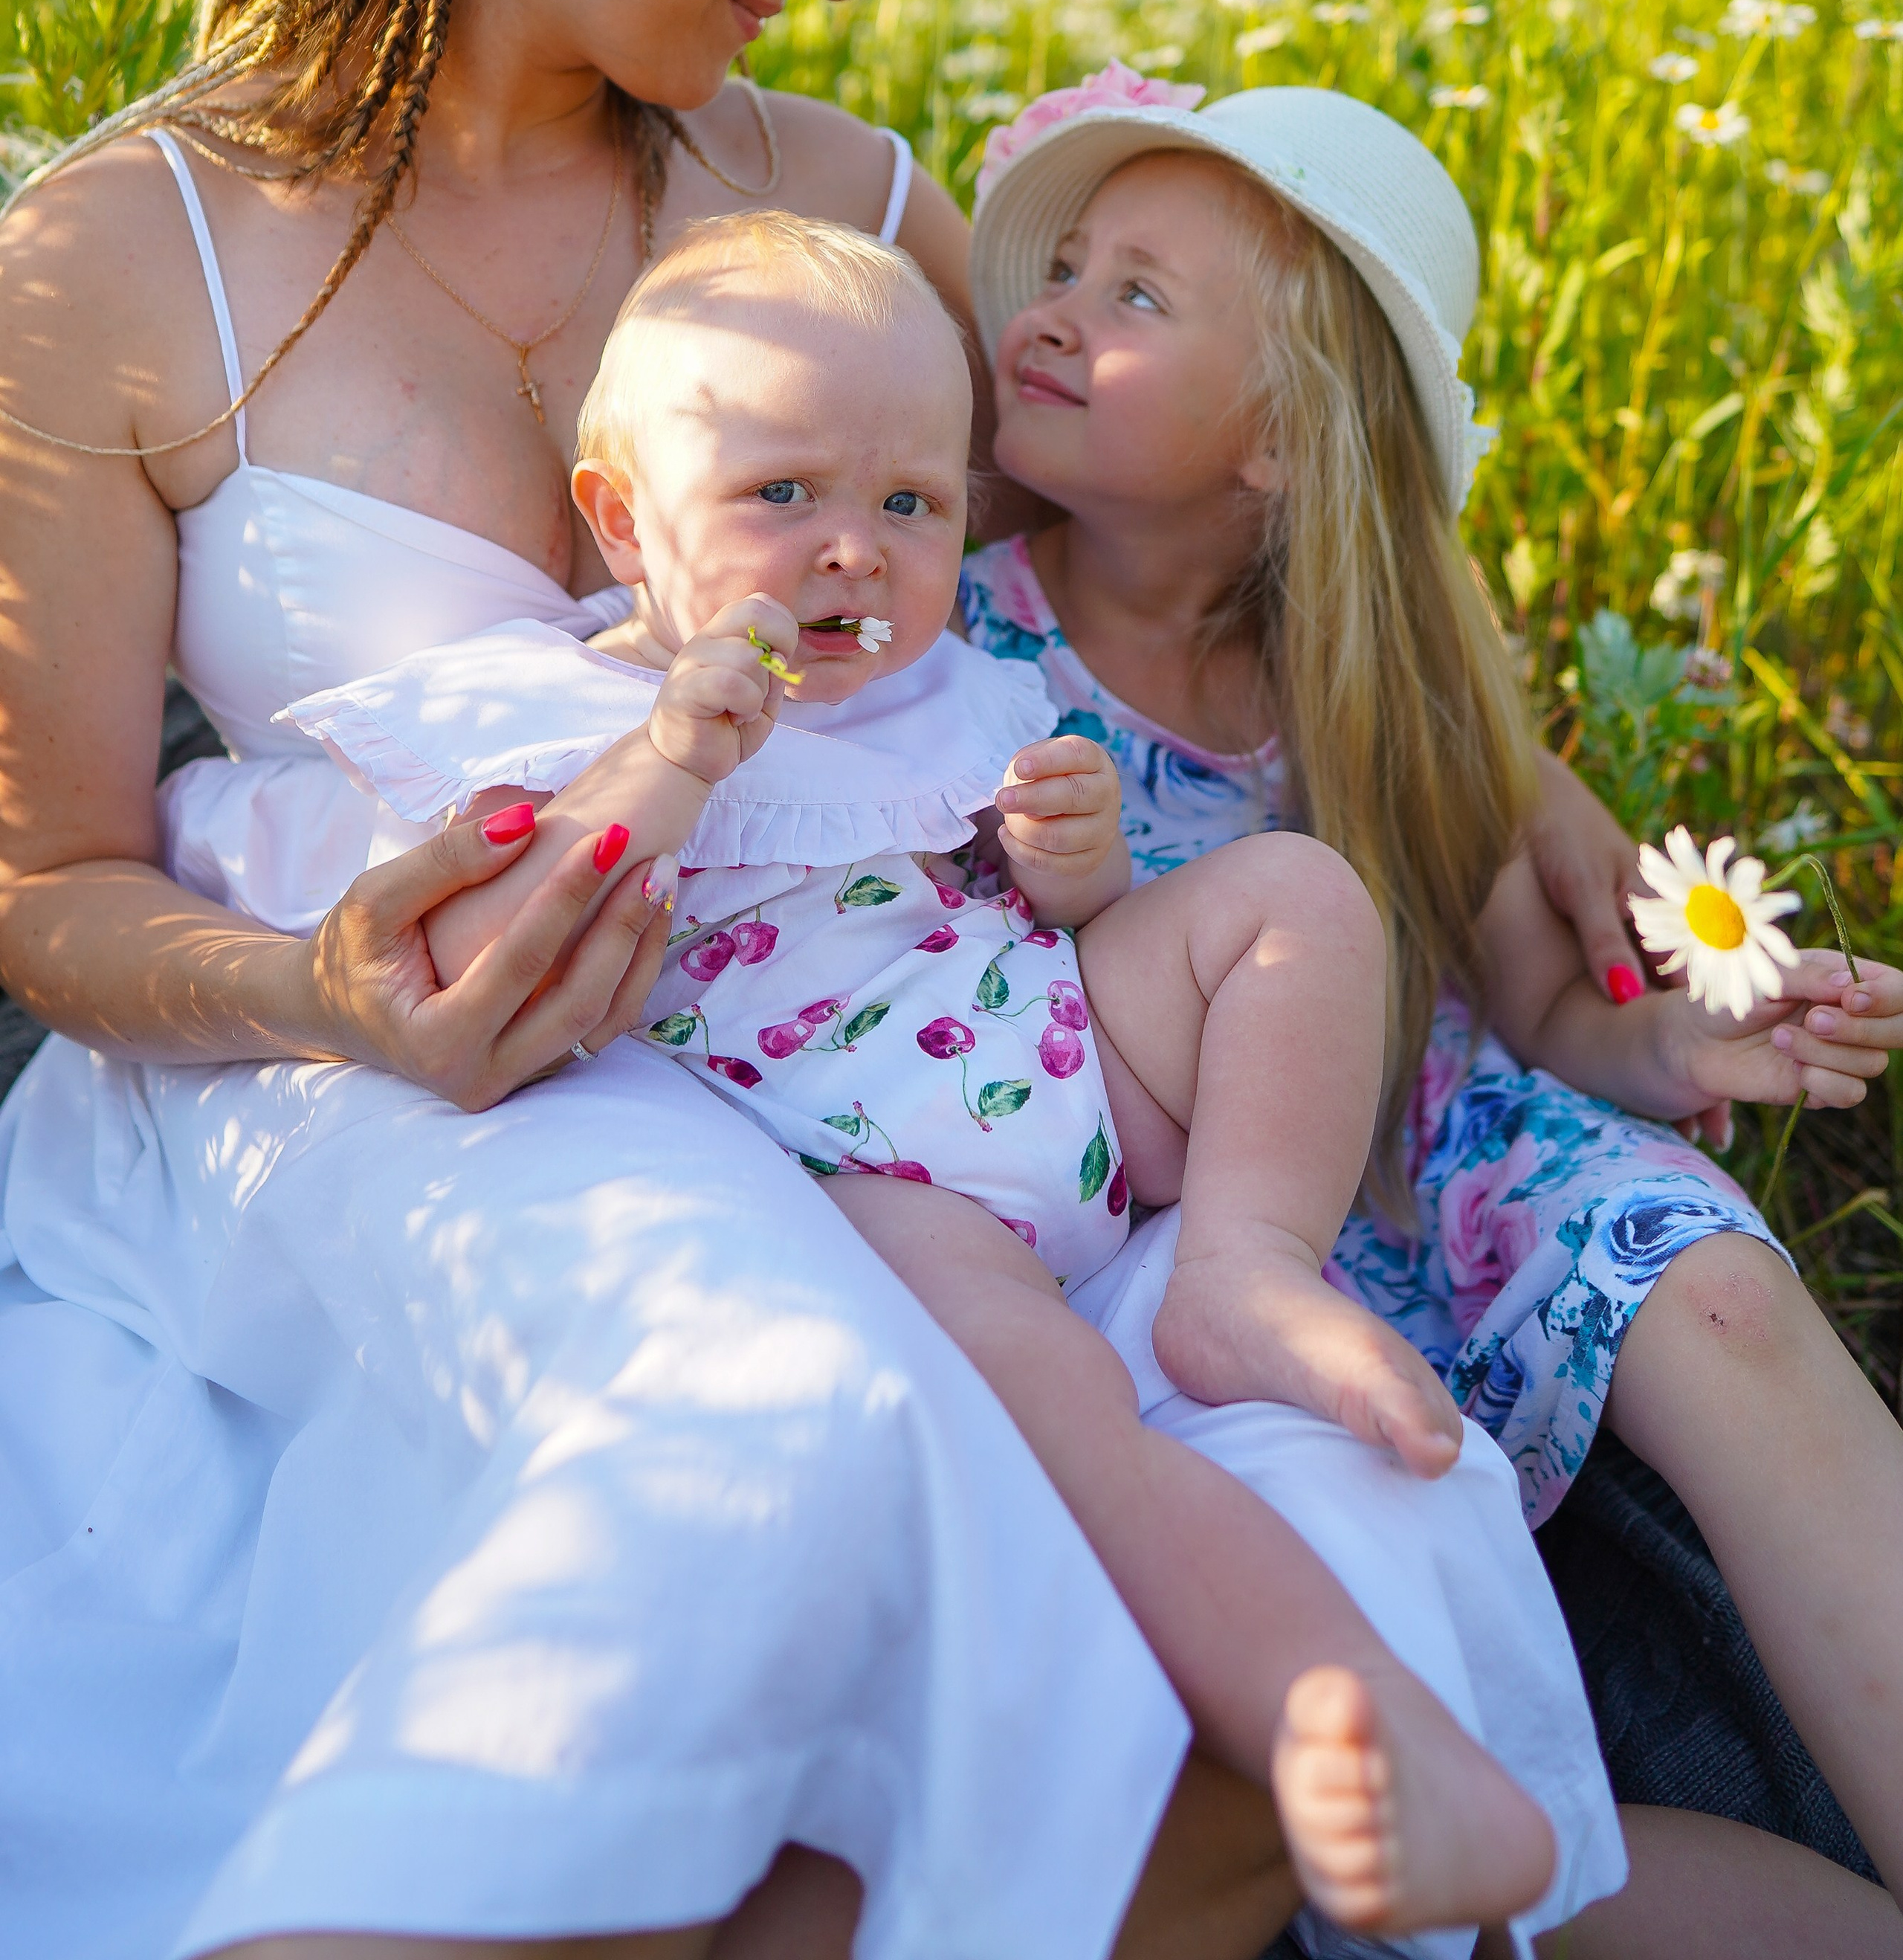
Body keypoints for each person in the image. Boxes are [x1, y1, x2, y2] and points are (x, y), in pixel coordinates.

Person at [0, 0, 1626, 1960]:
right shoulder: (112, 256)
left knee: (1327, 1483)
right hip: (368, 1100)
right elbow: (37, 879)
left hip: (863, 1074)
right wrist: (319, 988)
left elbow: (1191, 523)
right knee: (742, 1420)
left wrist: (1514, 767)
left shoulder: (852, 210)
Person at [267, 204, 1574, 1945]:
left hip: (1060, 1048)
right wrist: (666, 766)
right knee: (1076, 1427)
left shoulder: (958, 686)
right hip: (881, 1174)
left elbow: (1038, 904)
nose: (852, 557)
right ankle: (1345, 1725)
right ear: (620, 523)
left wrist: (1081, 866)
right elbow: (514, 940)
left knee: (1290, 901)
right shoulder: (564, 707)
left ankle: (1244, 1267)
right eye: (780, 498)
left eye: (910, 507)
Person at [957, 64, 1903, 1960]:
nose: (1053, 312)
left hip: (1427, 1147)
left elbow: (1543, 1000)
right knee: (1375, 1665)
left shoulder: (1360, 679)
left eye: (1138, 295)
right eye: (1059, 269)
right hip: (1163, 1220)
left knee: (1706, 1283)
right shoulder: (947, 632)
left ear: (1286, 444)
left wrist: (1675, 1046)